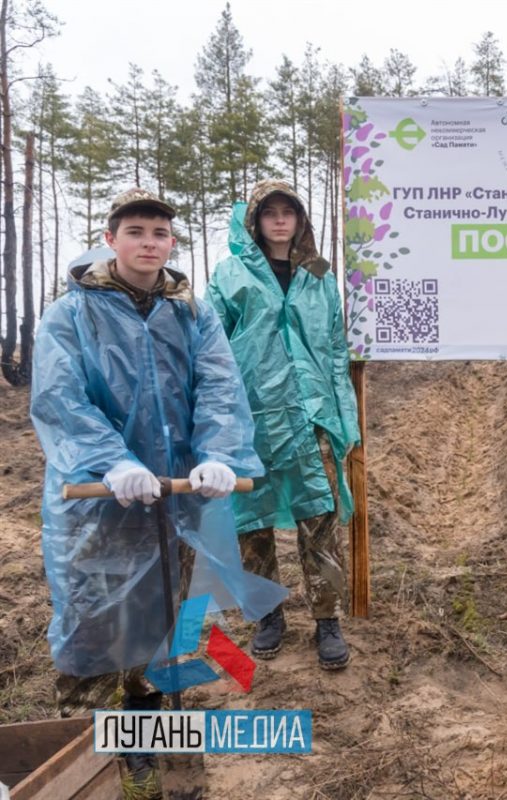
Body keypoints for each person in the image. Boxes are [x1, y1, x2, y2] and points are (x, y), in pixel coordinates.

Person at [30, 188, 286, 788]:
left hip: (176, 496)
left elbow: (219, 385)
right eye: (137, 232)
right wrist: (111, 463)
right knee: (95, 622)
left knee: (165, 618)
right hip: (99, 503)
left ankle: (145, 739)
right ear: (111, 237)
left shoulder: (190, 312)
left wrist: (219, 455)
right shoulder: (72, 314)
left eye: (160, 234)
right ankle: (84, 755)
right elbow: (60, 399)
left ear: (172, 243)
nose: (149, 243)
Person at [207, 180, 361, 670]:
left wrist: (341, 412)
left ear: (299, 220)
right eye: (268, 212)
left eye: (287, 212)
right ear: (255, 221)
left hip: (309, 416)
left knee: (319, 519)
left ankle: (326, 619)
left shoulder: (318, 277)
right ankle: (269, 615)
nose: (278, 220)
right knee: (251, 521)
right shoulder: (229, 276)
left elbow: (336, 349)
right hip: (250, 418)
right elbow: (211, 350)